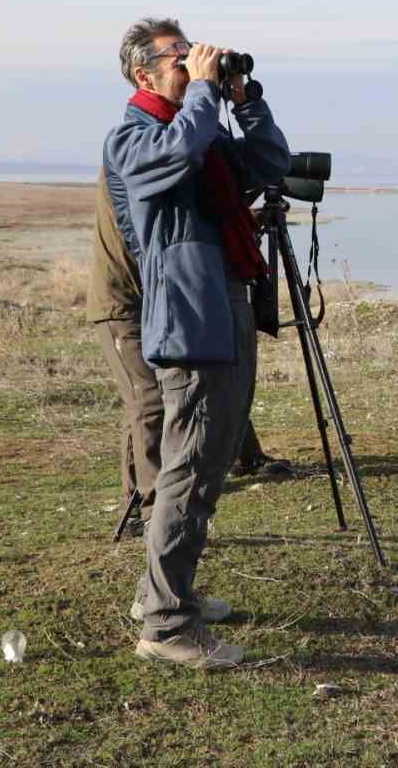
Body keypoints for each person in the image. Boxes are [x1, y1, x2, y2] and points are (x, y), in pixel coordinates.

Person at [105, 17, 290, 669]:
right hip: (189, 316)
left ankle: (161, 593)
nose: (193, 64)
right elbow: (177, 153)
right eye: (179, 58)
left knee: (208, 468)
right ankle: (166, 626)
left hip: (226, 303)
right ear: (144, 74)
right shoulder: (133, 136)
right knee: (187, 468)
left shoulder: (206, 133)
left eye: (194, 54)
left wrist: (248, 102)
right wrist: (208, 95)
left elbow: (272, 164)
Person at [87, 164, 291, 539]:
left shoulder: (161, 153)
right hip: (125, 304)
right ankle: (149, 514)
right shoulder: (137, 155)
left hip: (160, 300)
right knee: (148, 401)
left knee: (207, 376)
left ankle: (243, 457)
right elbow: (166, 220)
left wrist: (243, 213)